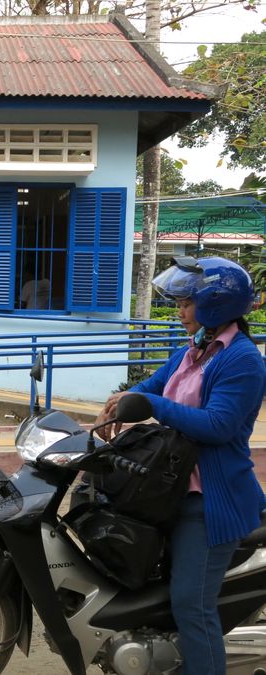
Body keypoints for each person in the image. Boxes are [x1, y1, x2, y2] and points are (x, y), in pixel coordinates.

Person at [96, 256, 266, 675]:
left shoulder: (242, 360)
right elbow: (151, 387)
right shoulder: (193, 350)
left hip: (210, 501)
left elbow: (218, 425)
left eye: (187, 302)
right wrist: (119, 404)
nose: (180, 310)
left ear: (214, 306)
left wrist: (152, 405)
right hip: (170, 491)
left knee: (192, 604)